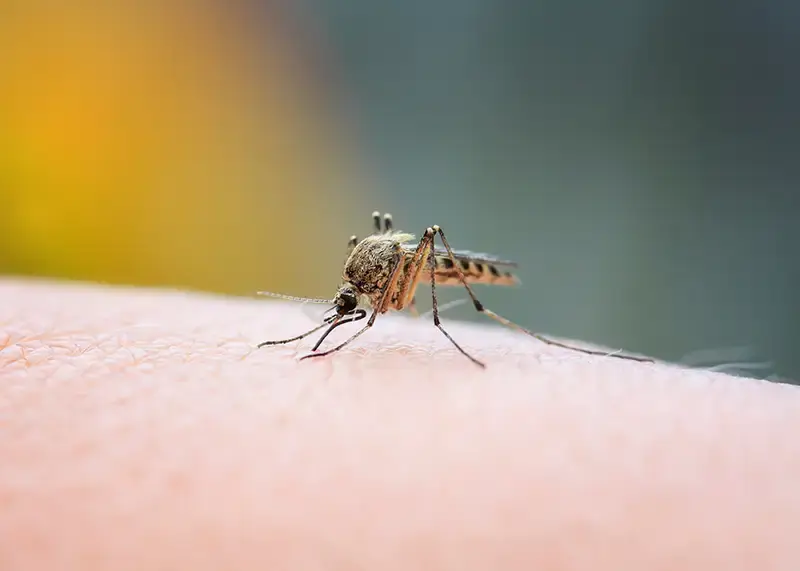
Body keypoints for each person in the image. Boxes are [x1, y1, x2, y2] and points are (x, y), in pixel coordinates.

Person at [2, 278, 798, 570]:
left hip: (430, 264)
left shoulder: (393, 276)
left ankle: (472, 322)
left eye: (346, 308)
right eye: (348, 306)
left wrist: (442, 317)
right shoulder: (357, 293)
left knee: (415, 248)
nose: (348, 309)